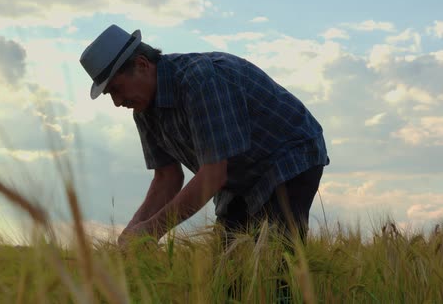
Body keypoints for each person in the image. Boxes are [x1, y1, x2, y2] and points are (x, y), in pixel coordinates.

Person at [79, 23, 329, 269]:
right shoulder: (143, 110)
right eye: (109, 95)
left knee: (275, 267)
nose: (117, 102)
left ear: (142, 65)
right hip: (239, 176)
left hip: (289, 157)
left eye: (116, 89)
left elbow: (213, 174)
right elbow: (167, 178)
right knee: (229, 276)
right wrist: (132, 233)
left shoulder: (200, 80)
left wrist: (152, 230)